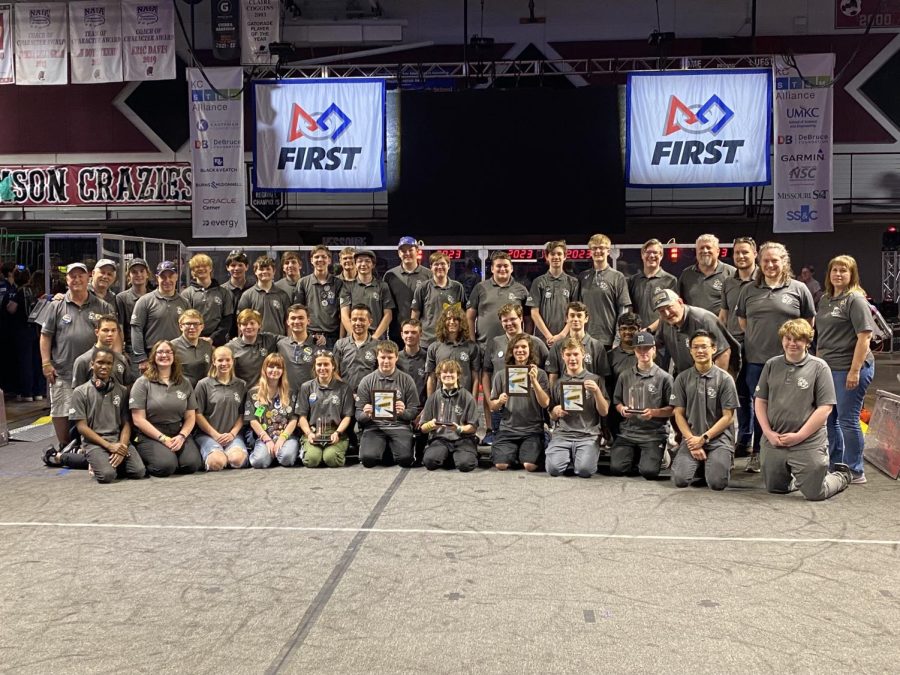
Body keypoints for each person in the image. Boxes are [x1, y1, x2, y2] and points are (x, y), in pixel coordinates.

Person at [736, 241, 815, 472]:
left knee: (789, 408)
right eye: (766, 260)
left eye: (775, 260)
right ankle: (759, 453)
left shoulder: (799, 289)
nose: (770, 265)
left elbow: (808, 324)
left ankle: (791, 454)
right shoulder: (748, 290)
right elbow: (743, 323)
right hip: (757, 362)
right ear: (759, 262)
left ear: (784, 262)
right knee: (761, 407)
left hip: (791, 362)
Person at [755, 319, 852, 500]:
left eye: (798, 339)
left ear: (807, 342)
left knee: (816, 494)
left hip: (808, 440)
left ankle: (840, 476)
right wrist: (768, 433)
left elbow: (825, 408)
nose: (792, 343)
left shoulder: (819, 367)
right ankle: (800, 478)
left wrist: (799, 436)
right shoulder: (771, 365)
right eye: (788, 338)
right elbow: (760, 401)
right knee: (775, 489)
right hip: (776, 438)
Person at [40, 262, 115, 446]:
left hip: (94, 372)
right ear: (67, 280)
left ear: (88, 277)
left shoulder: (103, 306)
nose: (77, 279)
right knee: (61, 410)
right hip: (63, 370)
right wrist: (46, 363)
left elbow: (114, 333)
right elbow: (45, 336)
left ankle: (89, 446)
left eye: (80, 275)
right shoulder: (56, 306)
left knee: (93, 410)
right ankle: (64, 446)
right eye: (72, 276)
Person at [815, 255, 875, 484]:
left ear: (852, 275)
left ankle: (856, 470)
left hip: (850, 368)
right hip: (828, 368)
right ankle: (837, 465)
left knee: (848, 419)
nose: (838, 274)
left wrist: (854, 371)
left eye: (844, 271)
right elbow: (822, 336)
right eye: (834, 270)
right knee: (830, 420)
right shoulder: (826, 299)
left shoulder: (855, 300)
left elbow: (865, 337)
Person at [670, 330, 739, 491]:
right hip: (692, 438)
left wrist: (704, 438)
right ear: (691, 351)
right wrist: (692, 441)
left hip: (718, 439)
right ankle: (700, 463)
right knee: (680, 480)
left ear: (713, 349)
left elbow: (728, 417)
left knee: (717, 483)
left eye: (704, 347)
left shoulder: (725, 379)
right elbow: (678, 414)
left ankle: (720, 460)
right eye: (695, 347)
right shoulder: (682, 378)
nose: (700, 351)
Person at [69, 348, 146, 483]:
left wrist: (121, 446)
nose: (104, 366)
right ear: (92, 364)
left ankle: (102, 462)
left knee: (138, 471)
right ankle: (82, 458)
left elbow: (126, 423)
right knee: (107, 475)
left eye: (109, 363)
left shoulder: (121, 390)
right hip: (95, 442)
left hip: (117, 439)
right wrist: (109, 447)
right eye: (100, 362)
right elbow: (81, 427)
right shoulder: (80, 392)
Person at [130, 340, 202, 477]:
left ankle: (172, 456)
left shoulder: (184, 382)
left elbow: (191, 416)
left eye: (168, 352)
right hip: (151, 433)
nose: (164, 355)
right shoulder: (142, 383)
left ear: (174, 356)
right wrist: (163, 439)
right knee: (165, 467)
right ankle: (150, 458)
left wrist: (182, 436)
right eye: (160, 352)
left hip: (178, 431)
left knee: (192, 465)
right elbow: (138, 419)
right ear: (153, 356)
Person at [609, 331, 674, 479]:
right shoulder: (625, 376)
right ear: (634, 351)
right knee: (617, 469)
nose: (643, 352)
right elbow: (617, 401)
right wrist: (622, 409)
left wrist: (653, 413)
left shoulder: (665, 378)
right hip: (628, 432)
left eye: (647, 348)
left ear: (654, 350)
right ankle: (637, 453)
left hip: (653, 434)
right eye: (639, 349)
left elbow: (672, 409)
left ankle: (661, 453)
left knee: (649, 472)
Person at [482, 303, 550, 444]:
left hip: (530, 410)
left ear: (520, 318)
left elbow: (548, 372)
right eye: (505, 320)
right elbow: (487, 373)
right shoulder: (494, 342)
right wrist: (491, 401)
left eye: (512, 319)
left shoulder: (536, 343)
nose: (509, 323)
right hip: (503, 408)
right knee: (504, 454)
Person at [545, 337, 609, 478]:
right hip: (563, 434)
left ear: (583, 355)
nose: (572, 358)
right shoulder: (558, 383)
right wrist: (555, 411)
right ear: (562, 356)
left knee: (584, 471)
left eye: (575, 354)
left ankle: (579, 456)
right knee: (553, 470)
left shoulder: (595, 380)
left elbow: (604, 411)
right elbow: (551, 415)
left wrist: (597, 392)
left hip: (588, 435)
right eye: (568, 355)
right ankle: (569, 455)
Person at [719, 236, 758, 457]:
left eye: (745, 252)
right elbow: (723, 315)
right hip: (733, 346)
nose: (741, 256)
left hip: (757, 346)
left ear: (755, 254)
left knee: (758, 396)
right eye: (737, 253)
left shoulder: (763, 279)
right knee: (740, 394)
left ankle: (761, 446)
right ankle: (744, 439)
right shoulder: (728, 282)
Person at [489, 333, 550, 472]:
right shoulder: (501, 375)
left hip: (532, 430)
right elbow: (492, 406)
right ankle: (514, 453)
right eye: (516, 347)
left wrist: (534, 382)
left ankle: (535, 445)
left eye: (524, 347)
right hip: (508, 429)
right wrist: (499, 401)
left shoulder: (540, 374)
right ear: (511, 351)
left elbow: (545, 403)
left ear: (530, 350)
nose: (520, 350)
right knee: (501, 465)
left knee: (530, 466)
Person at [355, 340, 421, 468]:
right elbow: (358, 415)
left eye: (390, 357)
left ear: (396, 357)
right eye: (382, 357)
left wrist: (403, 412)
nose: (386, 361)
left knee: (405, 460)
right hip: (374, 426)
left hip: (399, 425)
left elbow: (413, 411)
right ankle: (384, 450)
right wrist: (367, 414)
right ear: (377, 357)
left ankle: (389, 451)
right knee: (368, 460)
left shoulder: (407, 380)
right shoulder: (366, 381)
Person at [193, 346, 249, 471]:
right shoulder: (203, 384)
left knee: (237, 460)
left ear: (232, 361)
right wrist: (216, 435)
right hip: (208, 435)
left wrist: (232, 434)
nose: (224, 363)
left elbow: (242, 414)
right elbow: (198, 414)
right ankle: (216, 456)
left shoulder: (241, 385)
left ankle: (229, 454)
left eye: (228, 360)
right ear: (213, 361)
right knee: (216, 462)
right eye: (220, 360)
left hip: (232, 435)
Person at [653, 289, 732, 376]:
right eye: (661, 311)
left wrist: (715, 383)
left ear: (680, 302)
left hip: (706, 376)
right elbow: (658, 348)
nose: (667, 313)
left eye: (669, 307)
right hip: (683, 376)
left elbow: (723, 353)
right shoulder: (664, 322)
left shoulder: (704, 319)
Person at [420, 359, 480, 472]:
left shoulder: (468, 397)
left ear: (458, 375)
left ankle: (462, 455)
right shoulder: (433, 398)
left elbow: (473, 427)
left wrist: (459, 428)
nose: (448, 375)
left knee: (465, 465)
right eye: (444, 372)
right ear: (439, 375)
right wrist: (430, 425)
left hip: (463, 439)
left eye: (452, 372)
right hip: (440, 439)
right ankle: (450, 456)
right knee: (430, 462)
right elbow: (423, 428)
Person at [298, 349, 354, 468]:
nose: (322, 368)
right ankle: (314, 453)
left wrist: (338, 432)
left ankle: (329, 453)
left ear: (333, 366)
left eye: (326, 364)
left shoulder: (345, 388)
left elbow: (347, 416)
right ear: (314, 366)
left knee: (331, 459)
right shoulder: (306, 387)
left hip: (334, 432)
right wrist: (308, 433)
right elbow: (302, 416)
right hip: (313, 432)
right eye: (319, 364)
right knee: (312, 460)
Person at [466, 250, 529, 354]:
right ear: (492, 269)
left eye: (506, 266)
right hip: (484, 348)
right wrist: (472, 342)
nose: (502, 269)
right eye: (498, 266)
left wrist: (525, 341)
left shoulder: (521, 290)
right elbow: (470, 317)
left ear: (511, 268)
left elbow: (528, 320)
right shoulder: (480, 288)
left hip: (513, 348)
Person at [130, 261, 188, 373]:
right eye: (163, 277)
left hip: (177, 356)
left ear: (176, 277)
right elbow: (136, 329)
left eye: (171, 276)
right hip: (152, 356)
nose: (167, 280)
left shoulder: (184, 303)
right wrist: (141, 358)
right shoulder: (145, 301)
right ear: (157, 278)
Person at [576, 233, 631, 349]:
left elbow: (623, 310)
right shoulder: (582, 277)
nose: (598, 251)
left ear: (608, 251)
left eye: (601, 247)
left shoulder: (617, 277)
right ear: (590, 252)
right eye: (594, 248)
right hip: (584, 339)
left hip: (608, 340)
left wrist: (618, 338)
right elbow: (577, 309)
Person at [245, 353, 300, 469]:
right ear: (265, 369)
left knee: (287, 459)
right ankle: (268, 454)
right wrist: (267, 440)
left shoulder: (290, 392)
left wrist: (282, 438)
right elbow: (252, 420)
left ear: (283, 371)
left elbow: (294, 419)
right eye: (271, 367)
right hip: (264, 437)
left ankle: (277, 454)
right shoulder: (254, 393)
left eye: (279, 367)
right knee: (259, 462)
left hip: (286, 437)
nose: (274, 370)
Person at [527, 239, 579, 346]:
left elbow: (575, 313)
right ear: (547, 257)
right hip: (543, 339)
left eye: (559, 254)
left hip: (566, 338)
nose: (556, 257)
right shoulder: (538, 282)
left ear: (564, 256)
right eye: (552, 254)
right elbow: (534, 313)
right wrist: (549, 336)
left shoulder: (573, 282)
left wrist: (562, 335)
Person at [545, 302, 610, 387]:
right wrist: (553, 397)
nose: (575, 319)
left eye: (579, 316)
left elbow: (602, 377)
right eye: (572, 315)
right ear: (566, 319)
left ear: (586, 319)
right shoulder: (557, 346)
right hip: (565, 396)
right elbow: (553, 376)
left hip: (589, 396)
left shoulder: (597, 346)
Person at [410, 251, 465, 347]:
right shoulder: (423, 288)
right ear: (431, 267)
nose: (440, 267)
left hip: (450, 341)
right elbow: (414, 317)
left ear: (449, 266)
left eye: (443, 264)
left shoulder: (457, 287)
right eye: (436, 264)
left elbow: (463, 315)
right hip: (427, 342)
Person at [385, 236, 433, 344]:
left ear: (417, 251)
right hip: (397, 334)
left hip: (423, 335)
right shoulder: (390, 275)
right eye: (403, 251)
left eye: (410, 250)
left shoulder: (428, 275)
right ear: (399, 253)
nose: (407, 253)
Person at [294, 245, 344, 348]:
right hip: (309, 335)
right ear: (311, 260)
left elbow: (342, 314)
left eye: (324, 257)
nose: (320, 259)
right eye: (316, 257)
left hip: (332, 337)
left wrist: (341, 340)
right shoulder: (303, 282)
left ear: (329, 260)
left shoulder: (338, 283)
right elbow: (298, 311)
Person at [425, 305, 480, 398]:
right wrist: (430, 403)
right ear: (443, 322)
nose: (452, 322)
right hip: (441, 400)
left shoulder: (472, 347)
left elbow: (475, 379)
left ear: (461, 322)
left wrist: (473, 403)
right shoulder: (434, 347)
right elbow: (431, 379)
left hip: (464, 399)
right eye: (448, 319)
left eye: (456, 319)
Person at [339, 249, 394, 340]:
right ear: (355, 264)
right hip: (354, 338)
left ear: (373, 265)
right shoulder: (347, 287)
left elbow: (388, 315)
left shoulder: (382, 286)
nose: (363, 264)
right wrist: (355, 337)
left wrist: (375, 337)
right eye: (360, 261)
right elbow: (344, 315)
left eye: (367, 261)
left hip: (376, 337)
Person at [6, 267, 44, 401]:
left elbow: (11, 309)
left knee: (25, 362)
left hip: (23, 330)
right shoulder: (39, 292)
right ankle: (38, 391)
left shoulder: (22, 291)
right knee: (37, 361)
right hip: (37, 330)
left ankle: (27, 393)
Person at [181, 253, 234, 346]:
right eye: (197, 267)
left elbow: (227, 319)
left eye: (204, 266)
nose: (201, 269)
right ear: (193, 271)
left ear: (210, 268)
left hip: (219, 342)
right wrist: (199, 338)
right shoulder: (186, 294)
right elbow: (185, 320)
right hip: (194, 341)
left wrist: (212, 338)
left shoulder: (223, 292)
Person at [677, 233, 736, 314]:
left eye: (708, 247)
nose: (705, 251)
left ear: (718, 251)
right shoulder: (686, 274)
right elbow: (680, 304)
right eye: (701, 248)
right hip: (693, 325)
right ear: (697, 251)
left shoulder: (731, 273)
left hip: (721, 325)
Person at [628, 239, 677, 332]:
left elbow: (671, 311)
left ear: (661, 255)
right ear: (642, 255)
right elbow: (629, 309)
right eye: (648, 252)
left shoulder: (670, 280)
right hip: (637, 335)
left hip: (662, 335)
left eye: (655, 253)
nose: (651, 256)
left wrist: (649, 329)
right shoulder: (633, 280)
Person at [71, 314, 131, 388]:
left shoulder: (122, 359)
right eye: (105, 330)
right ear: (97, 332)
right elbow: (78, 394)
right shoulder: (83, 361)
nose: (110, 334)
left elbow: (127, 388)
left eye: (113, 330)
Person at [237, 255, 292, 336]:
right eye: (261, 269)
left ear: (274, 271)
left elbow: (288, 322)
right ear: (255, 271)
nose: (265, 272)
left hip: (279, 341)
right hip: (255, 341)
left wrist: (289, 342)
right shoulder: (247, 295)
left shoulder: (283, 295)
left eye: (268, 269)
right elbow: (241, 321)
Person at [116, 258, 151, 380]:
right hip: (132, 352)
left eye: (142, 271)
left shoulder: (154, 295)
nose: (139, 275)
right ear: (128, 276)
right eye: (134, 272)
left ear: (148, 274)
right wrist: (121, 352)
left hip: (153, 349)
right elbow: (119, 327)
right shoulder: (122, 298)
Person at [225, 309, 280, 385]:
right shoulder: (230, 348)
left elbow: (289, 341)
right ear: (239, 326)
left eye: (252, 323)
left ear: (259, 325)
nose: (249, 327)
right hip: (242, 392)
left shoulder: (269, 340)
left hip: (264, 392)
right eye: (244, 324)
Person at [333, 304, 379, 394]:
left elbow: (381, 374)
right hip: (345, 395)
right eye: (354, 319)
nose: (358, 323)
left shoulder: (378, 346)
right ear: (350, 321)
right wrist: (347, 392)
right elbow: (334, 372)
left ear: (370, 322)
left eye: (362, 319)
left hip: (369, 397)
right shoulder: (340, 344)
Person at [276, 304, 319, 393]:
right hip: (287, 396)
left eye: (300, 318)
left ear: (308, 321)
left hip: (311, 396)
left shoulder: (319, 344)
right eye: (293, 318)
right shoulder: (281, 345)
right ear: (287, 322)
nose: (296, 321)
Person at [172, 309, 213, 387]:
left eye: (196, 324)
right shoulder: (172, 347)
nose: (192, 327)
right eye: (188, 324)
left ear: (202, 327)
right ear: (181, 326)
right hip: (182, 392)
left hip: (204, 393)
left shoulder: (207, 346)